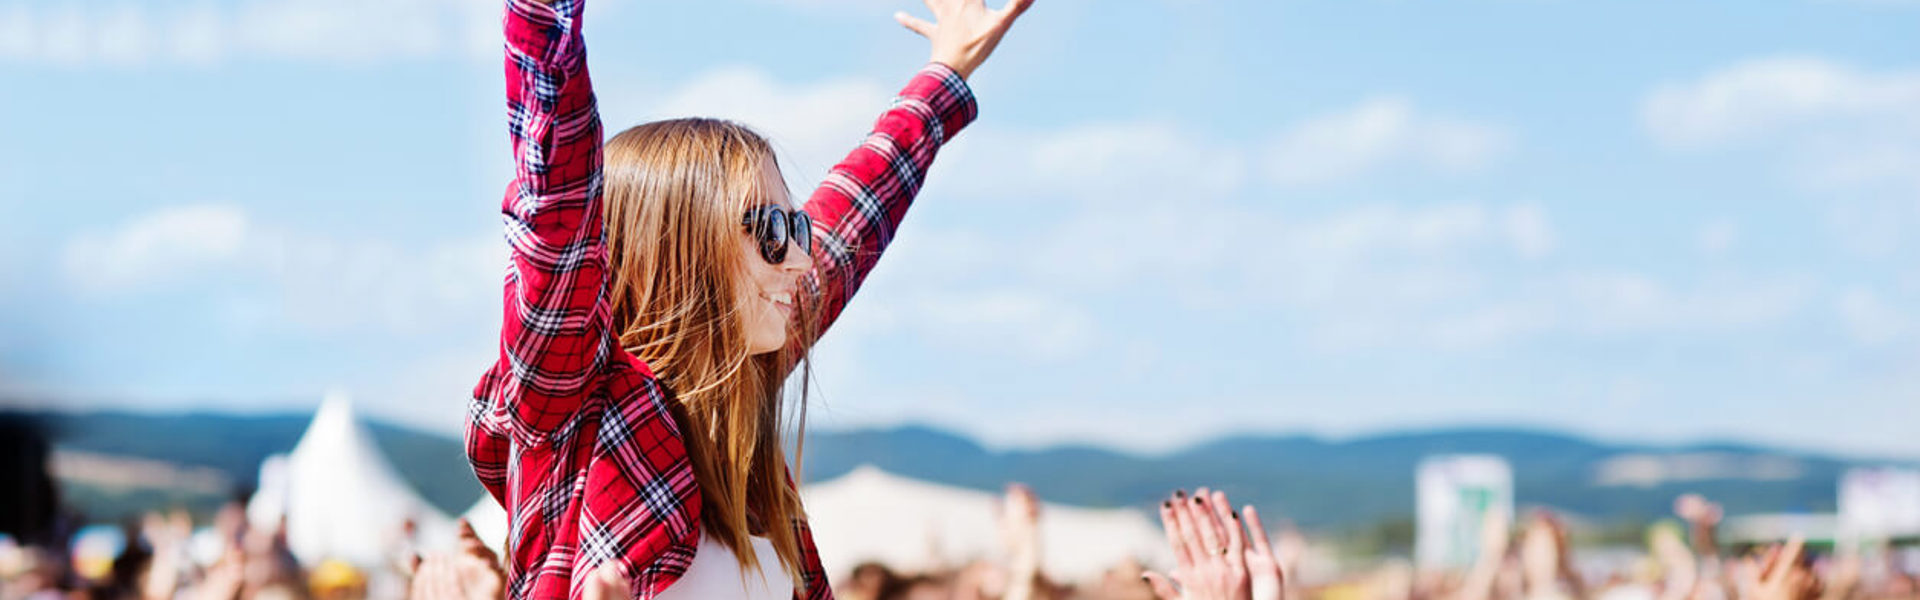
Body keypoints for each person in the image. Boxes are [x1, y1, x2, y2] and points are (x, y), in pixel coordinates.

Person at [463, 0, 1035, 597]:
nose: (801, 256)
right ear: (674, 250)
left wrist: (945, 74)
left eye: (798, 228)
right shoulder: (574, 400)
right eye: (768, 231)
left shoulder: (739, 412)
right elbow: (558, 204)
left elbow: (853, 212)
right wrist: (542, 17)